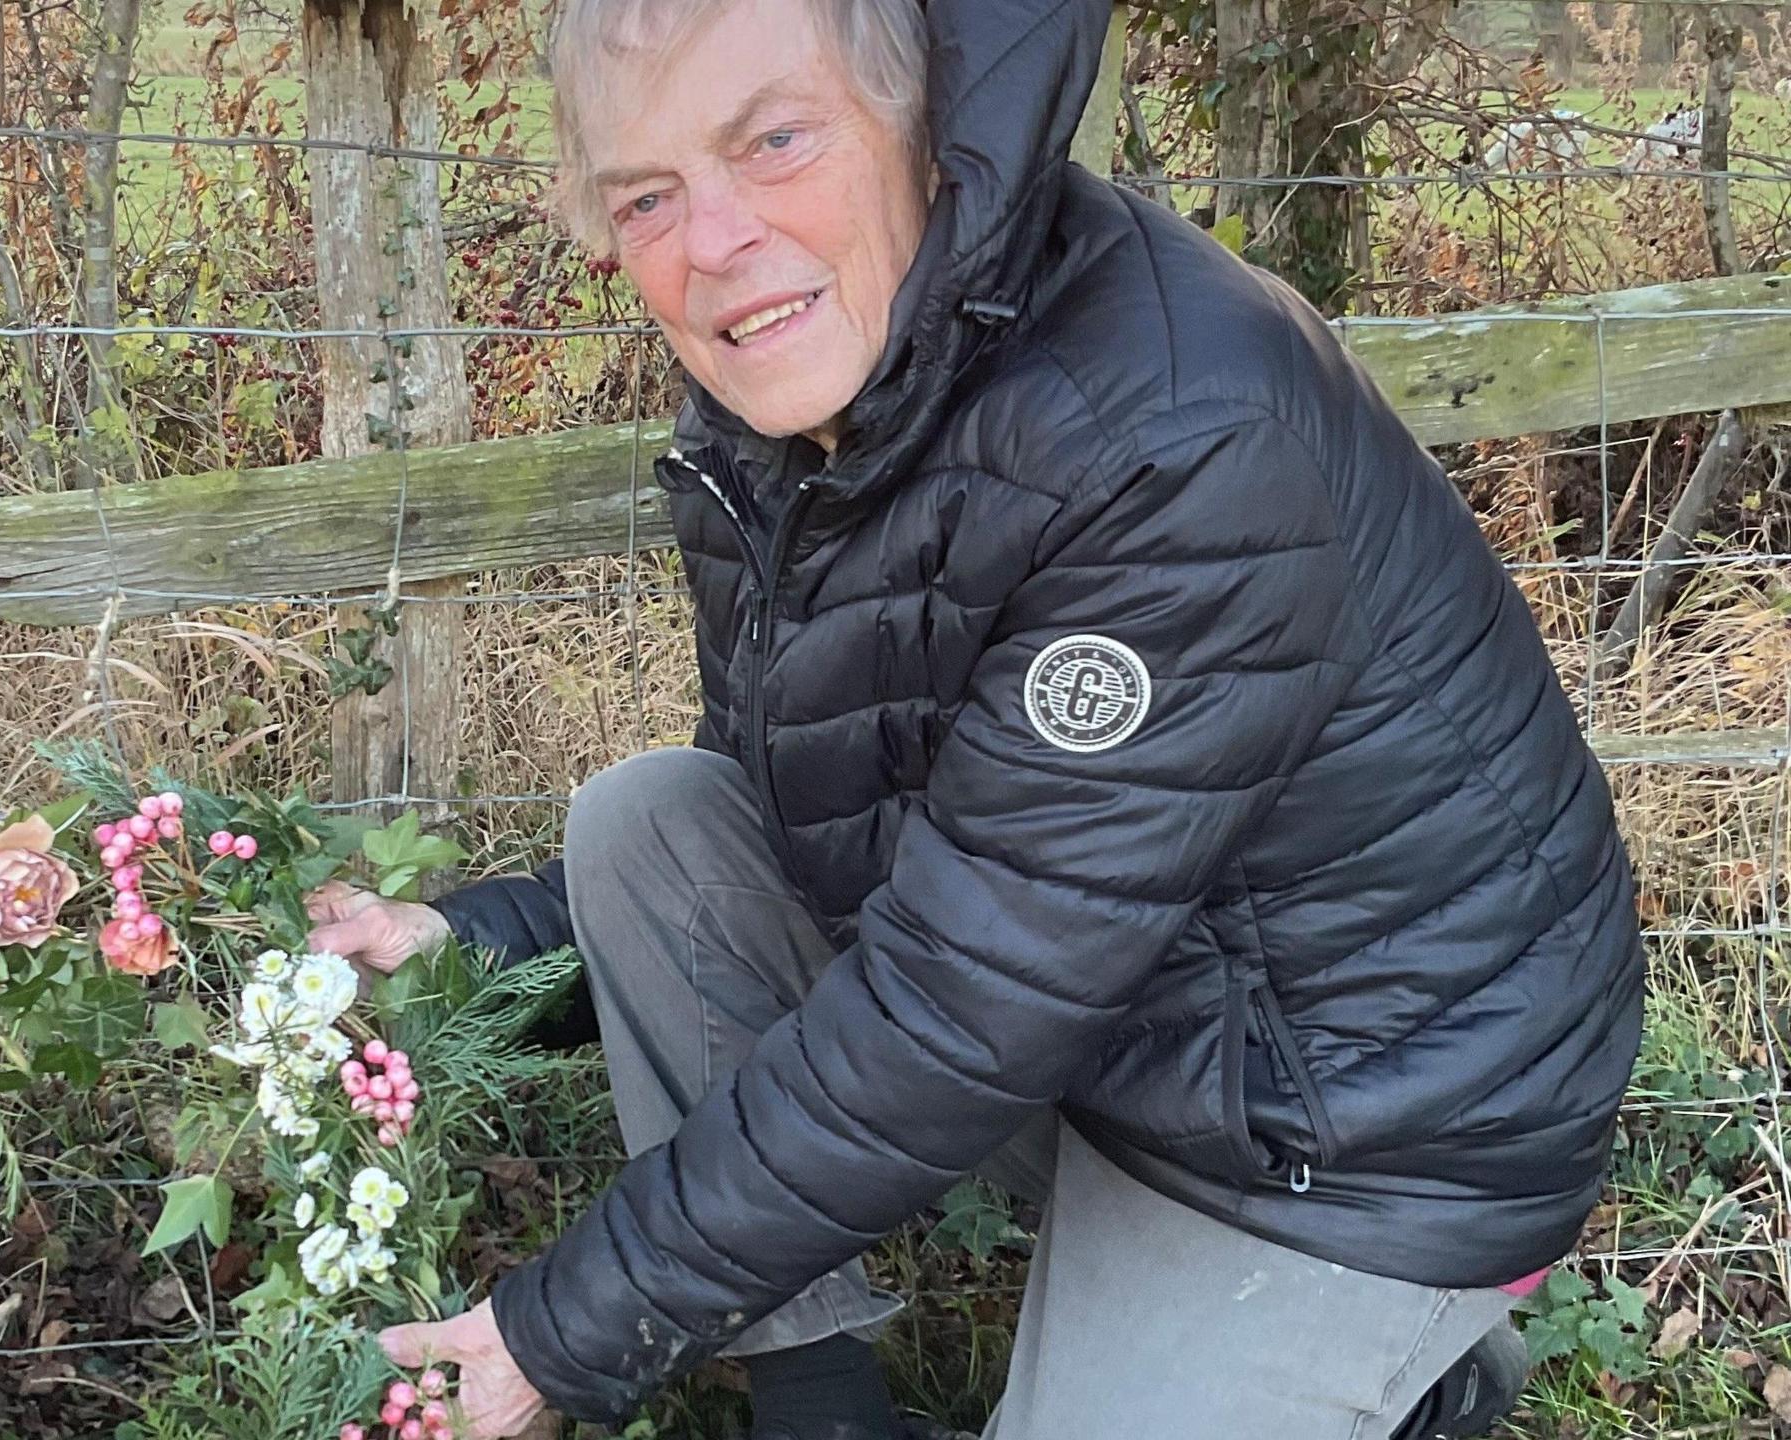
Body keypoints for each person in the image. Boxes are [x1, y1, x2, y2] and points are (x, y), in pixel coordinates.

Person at [303, 0, 1646, 1435]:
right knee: (654, 828)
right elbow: (823, 806)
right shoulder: (788, 404)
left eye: (773, 139)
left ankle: (1411, 1365)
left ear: (923, 127)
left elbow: (963, 1001)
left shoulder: (1174, 439)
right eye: (646, 197)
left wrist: (567, 1329)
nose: (712, 244)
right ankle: (820, 1410)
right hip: (1123, 1014)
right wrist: (482, 943)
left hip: (1355, 1126)